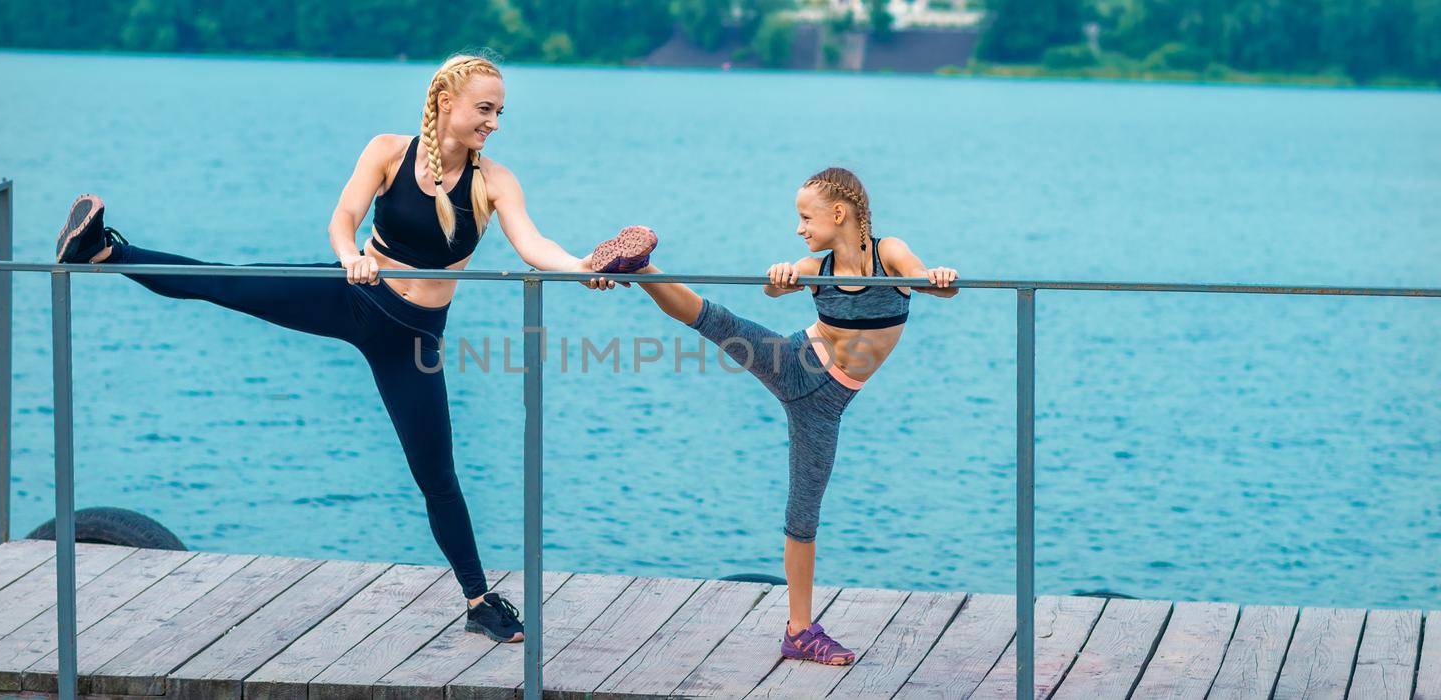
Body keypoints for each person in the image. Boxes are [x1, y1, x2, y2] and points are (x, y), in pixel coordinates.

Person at [52, 53, 655, 643]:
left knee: (437, 476)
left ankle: (477, 600)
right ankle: (106, 251)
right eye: (484, 109)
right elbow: (344, 217)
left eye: (500, 112)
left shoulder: (494, 181)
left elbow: (533, 244)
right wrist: (351, 256)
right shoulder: (388, 152)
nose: (494, 123)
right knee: (224, 280)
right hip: (352, 295)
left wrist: (579, 267)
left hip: (413, 338)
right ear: (447, 101)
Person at [629, 167, 957, 664]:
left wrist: (940, 278)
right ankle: (643, 269)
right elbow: (774, 290)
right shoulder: (814, 266)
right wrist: (782, 278)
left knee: (803, 516)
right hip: (796, 364)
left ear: (839, 213)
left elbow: (937, 286)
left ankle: (797, 632)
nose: (800, 228)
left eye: (806, 217)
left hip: (826, 403)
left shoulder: (889, 254)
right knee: (716, 320)